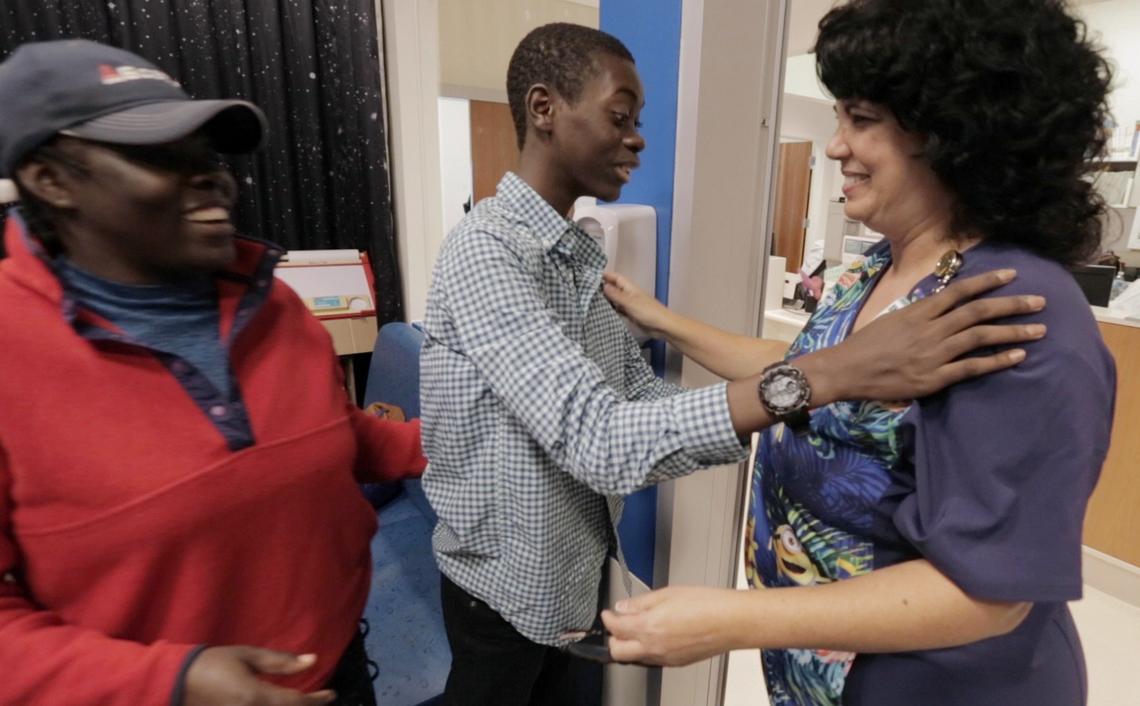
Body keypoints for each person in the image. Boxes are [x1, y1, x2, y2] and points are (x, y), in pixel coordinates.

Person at [418, 22, 1050, 706]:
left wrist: (796, 389)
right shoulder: (485, 254)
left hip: (572, 577)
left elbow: (639, 404)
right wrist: (823, 379)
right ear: (544, 109)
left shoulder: (577, 259)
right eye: (620, 116)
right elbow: (600, 440)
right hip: (504, 590)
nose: (638, 138)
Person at [599, 1, 1116, 704]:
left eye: (861, 120)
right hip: (826, 676)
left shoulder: (1013, 308)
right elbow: (817, 371)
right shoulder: (882, 265)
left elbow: (989, 592)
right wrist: (663, 321)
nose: (835, 145)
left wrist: (729, 619)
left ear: (955, 134)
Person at [0, 39, 426, 706]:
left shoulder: (275, 305)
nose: (213, 178)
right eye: (160, 157)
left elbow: (328, 436)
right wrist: (171, 682)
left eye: (207, 156)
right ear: (51, 180)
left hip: (333, 666)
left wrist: (434, 442)